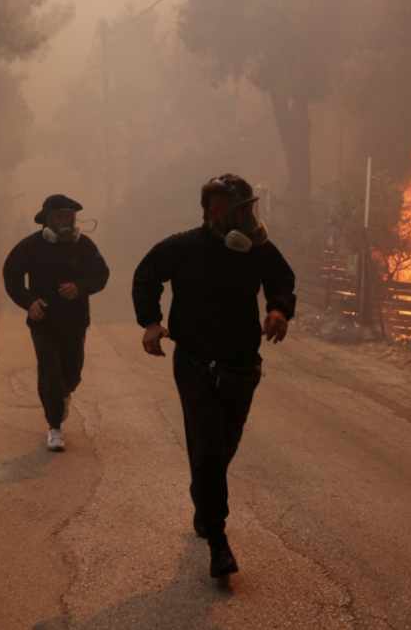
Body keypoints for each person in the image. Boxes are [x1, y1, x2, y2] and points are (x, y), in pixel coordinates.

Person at [132, 174, 296, 578]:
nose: (251, 218)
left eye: (251, 208)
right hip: (194, 365)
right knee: (207, 449)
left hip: (241, 367)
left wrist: (278, 309)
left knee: (221, 452)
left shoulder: (257, 250)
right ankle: (218, 542)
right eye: (243, 210)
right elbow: (146, 278)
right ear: (217, 213)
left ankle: (204, 500)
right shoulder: (182, 247)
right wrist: (151, 322)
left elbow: (283, 282)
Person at [3, 194, 110, 452]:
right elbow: (12, 277)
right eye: (59, 216)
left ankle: (64, 395)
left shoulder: (84, 245)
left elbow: (101, 274)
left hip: (75, 323)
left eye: (69, 217)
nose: (65, 222)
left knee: (71, 375)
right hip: (43, 324)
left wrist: (81, 287)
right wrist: (29, 302)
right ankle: (54, 428)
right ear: (47, 221)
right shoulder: (30, 246)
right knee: (51, 372)